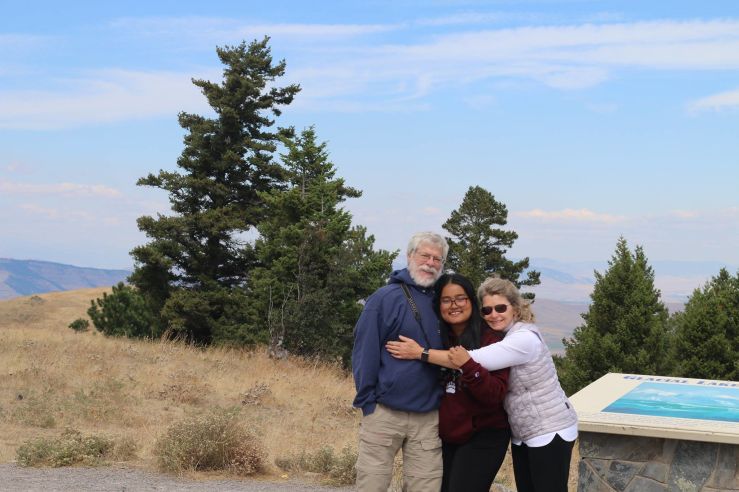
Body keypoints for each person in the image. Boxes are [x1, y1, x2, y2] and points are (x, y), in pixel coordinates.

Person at [387, 277, 578, 492]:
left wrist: (419, 353)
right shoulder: (504, 335)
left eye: (500, 308)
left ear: (515, 308)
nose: (494, 315)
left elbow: (471, 359)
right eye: (487, 310)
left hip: (550, 427)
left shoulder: (524, 339)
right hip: (525, 430)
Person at [351, 231, 448, 492]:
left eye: (437, 259)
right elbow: (364, 352)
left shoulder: (444, 303)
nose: (430, 263)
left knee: (426, 487)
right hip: (384, 412)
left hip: (428, 416)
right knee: (372, 484)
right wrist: (368, 401)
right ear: (409, 256)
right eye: (425, 255)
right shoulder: (384, 298)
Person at [432, 273, 510, 492]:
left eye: (461, 298)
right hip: (447, 434)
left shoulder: (491, 340)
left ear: (471, 302)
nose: (454, 305)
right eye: (446, 300)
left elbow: (495, 394)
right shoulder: (436, 338)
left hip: (485, 433)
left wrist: (467, 366)